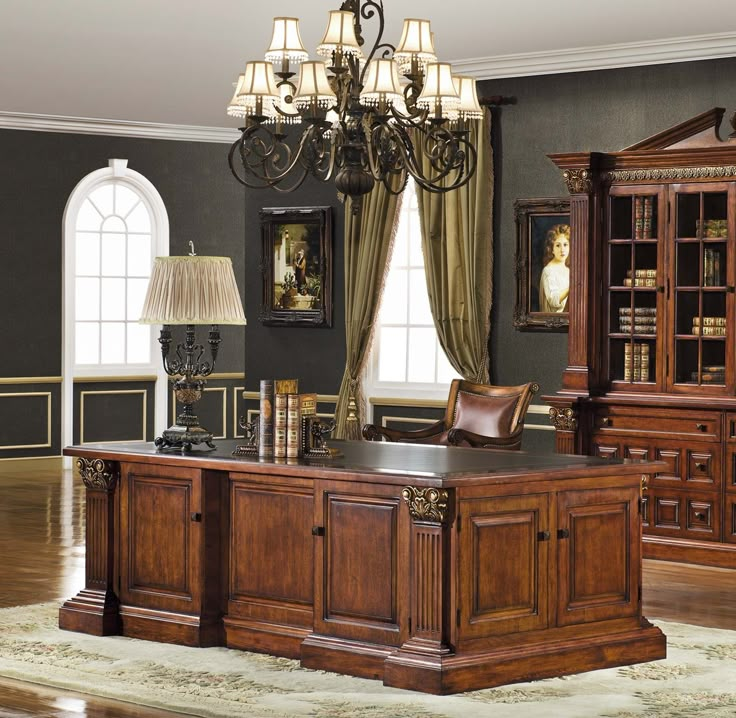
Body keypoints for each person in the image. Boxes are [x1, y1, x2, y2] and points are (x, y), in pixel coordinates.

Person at [538, 224, 571, 313]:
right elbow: (553, 301)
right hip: (553, 322)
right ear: (551, 248)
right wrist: (572, 287)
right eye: (558, 245)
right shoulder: (548, 270)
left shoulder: (568, 271)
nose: (562, 249)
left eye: (565, 245)